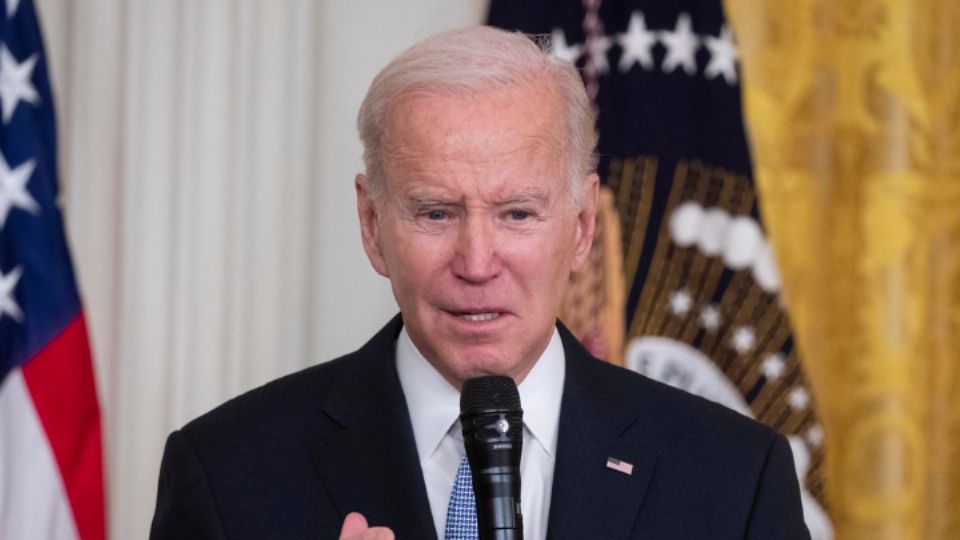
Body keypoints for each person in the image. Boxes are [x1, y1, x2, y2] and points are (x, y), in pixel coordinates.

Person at [150, 26, 809, 540]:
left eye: (516, 214)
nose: (476, 261)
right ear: (372, 222)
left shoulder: (732, 480)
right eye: (435, 213)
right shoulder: (227, 473)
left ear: (582, 226)